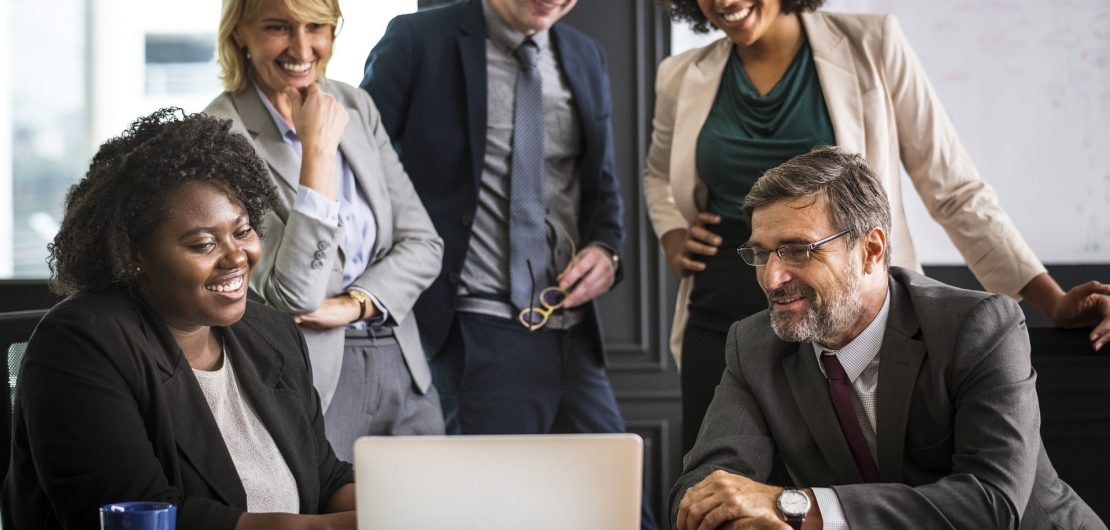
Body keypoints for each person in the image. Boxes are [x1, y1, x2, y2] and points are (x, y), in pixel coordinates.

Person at [645, 0, 1110, 454]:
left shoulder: (873, 43)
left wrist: (1052, 299)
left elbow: (953, 187)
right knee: (716, 478)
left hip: (847, 308)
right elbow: (658, 175)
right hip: (721, 306)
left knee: (848, 479)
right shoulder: (680, 75)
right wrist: (672, 232)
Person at [670, 146, 1103, 530]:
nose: (771, 277)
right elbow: (702, 488)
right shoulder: (754, 346)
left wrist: (797, 507)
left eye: (797, 250)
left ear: (871, 250)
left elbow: (990, 503)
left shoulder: (978, 326)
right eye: (761, 254)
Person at [362, 2, 659, 527]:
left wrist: (607, 251)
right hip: (474, 331)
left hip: (570, 335)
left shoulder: (583, 54)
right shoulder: (416, 40)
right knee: (494, 514)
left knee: (621, 511)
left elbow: (602, 190)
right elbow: (361, 167)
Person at [1, 109, 356, 530]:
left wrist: (401, 503)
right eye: (204, 244)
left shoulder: (271, 333)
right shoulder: (80, 345)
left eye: (242, 232)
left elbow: (324, 475)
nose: (237, 257)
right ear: (135, 255)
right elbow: (140, 515)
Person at [204, 0, 446, 461]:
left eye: (317, 26)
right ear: (240, 33)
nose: (302, 47)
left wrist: (354, 304)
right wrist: (316, 152)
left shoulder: (353, 104)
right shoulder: (219, 134)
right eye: (278, 27)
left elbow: (424, 243)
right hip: (311, 373)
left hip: (401, 356)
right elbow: (293, 293)